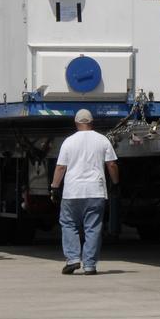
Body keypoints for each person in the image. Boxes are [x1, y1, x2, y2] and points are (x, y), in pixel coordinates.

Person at [51, 109, 119, 276]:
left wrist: (54, 186)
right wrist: (115, 183)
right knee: (93, 228)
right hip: (95, 191)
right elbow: (111, 164)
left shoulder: (68, 141)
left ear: (76, 123)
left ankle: (73, 259)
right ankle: (90, 265)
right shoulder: (103, 140)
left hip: (72, 192)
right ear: (91, 122)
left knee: (68, 225)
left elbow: (61, 167)